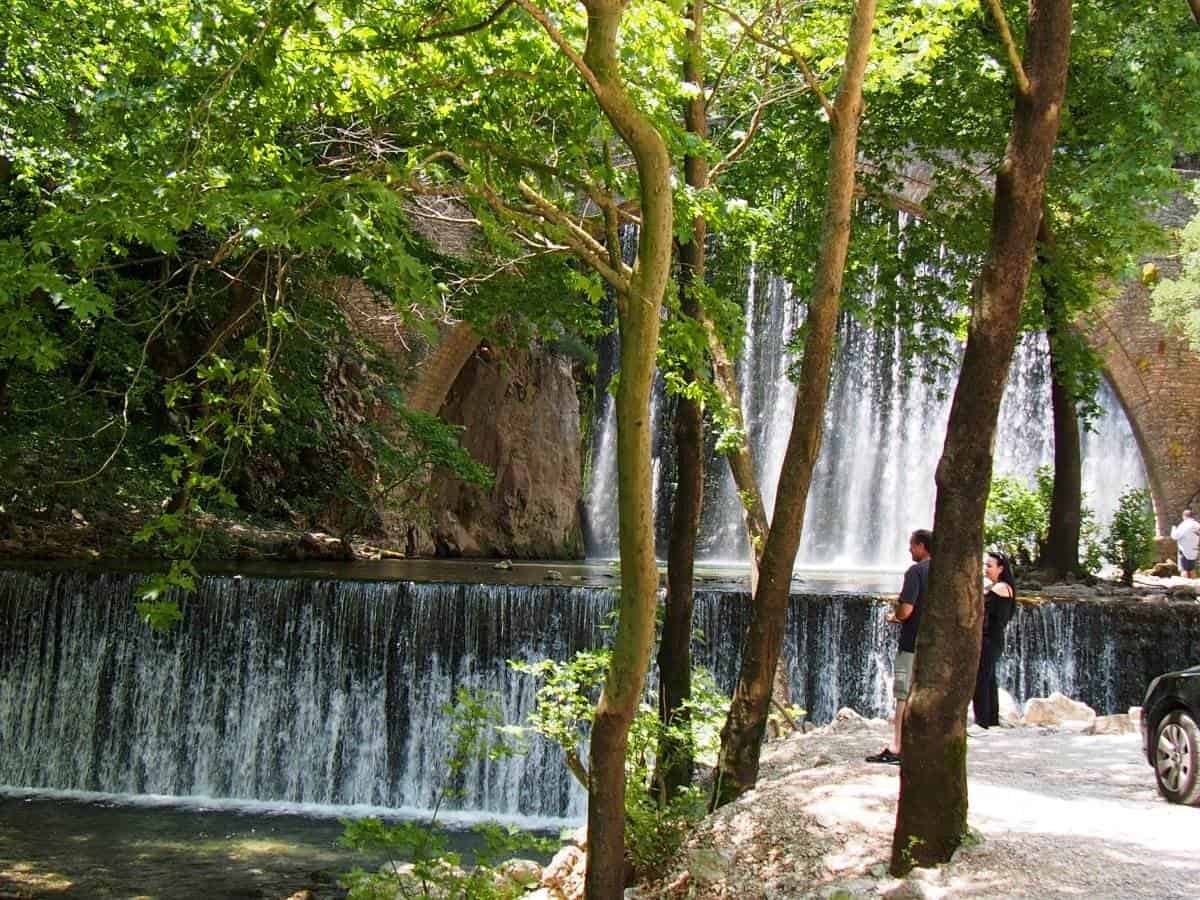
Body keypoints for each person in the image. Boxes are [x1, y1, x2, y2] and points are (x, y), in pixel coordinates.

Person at [867, 528, 933, 765]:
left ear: (922, 546)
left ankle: (897, 748)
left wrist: (895, 616)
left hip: (912, 643)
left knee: (903, 695)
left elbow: (906, 610)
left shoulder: (915, 572)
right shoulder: (943, 571)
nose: (909, 549)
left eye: (912, 545)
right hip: (934, 645)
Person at [972, 551, 1016, 728]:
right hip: (993, 640)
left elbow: (979, 604)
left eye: (989, 566)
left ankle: (982, 720)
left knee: (981, 679)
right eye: (985, 565)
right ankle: (991, 719)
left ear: (1001, 568)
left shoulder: (1000, 588)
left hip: (990, 640)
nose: (986, 569)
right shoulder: (1000, 587)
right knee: (989, 679)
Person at [1170, 509, 1200, 579]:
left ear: (1184, 516)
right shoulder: (1197, 525)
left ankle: (1186, 585)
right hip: (1194, 550)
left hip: (1184, 550)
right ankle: (1195, 585)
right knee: (1192, 569)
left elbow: (1175, 536)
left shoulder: (1184, 525)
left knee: (1184, 569)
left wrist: (1173, 528)